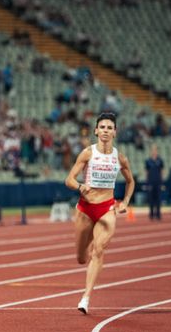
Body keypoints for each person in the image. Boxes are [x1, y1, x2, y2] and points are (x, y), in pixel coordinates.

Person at [65, 112, 134, 315]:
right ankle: (83, 255)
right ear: (96, 131)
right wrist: (79, 186)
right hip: (85, 208)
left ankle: (86, 297)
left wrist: (125, 203)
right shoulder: (88, 153)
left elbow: (131, 181)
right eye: (102, 127)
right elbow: (68, 179)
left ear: (115, 132)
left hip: (107, 209)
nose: (105, 131)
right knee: (81, 257)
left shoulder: (120, 158)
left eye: (109, 128)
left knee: (99, 250)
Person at [145, 144, 164, 221]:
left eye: (155, 150)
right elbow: (146, 172)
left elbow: (162, 171)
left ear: (157, 151)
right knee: (151, 199)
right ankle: (151, 214)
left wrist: (162, 182)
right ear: (151, 151)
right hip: (151, 182)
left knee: (158, 199)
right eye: (153, 150)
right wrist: (147, 182)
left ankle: (158, 214)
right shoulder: (148, 161)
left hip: (158, 182)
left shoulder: (160, 160)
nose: (154, 151)